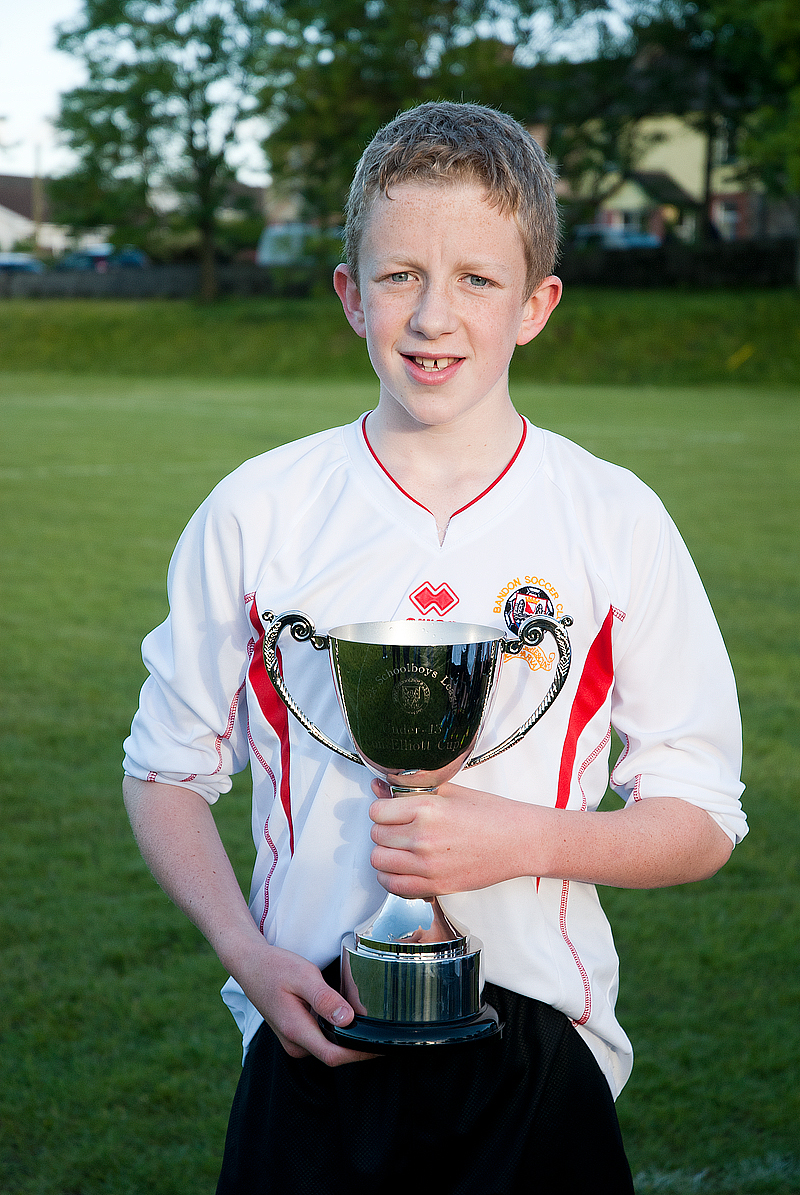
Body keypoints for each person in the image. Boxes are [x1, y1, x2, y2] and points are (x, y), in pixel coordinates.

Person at [122, 101, 747, 1193]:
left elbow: (699, 820)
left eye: (475, 278)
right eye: (400, 273)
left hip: (538, 1052)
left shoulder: (612, 516)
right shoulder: (258, 509)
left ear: (534, 304)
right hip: (309, 1027)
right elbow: (163, 770)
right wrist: (247, 955)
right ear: (349, 294)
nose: (431, 314)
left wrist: (518, 838)